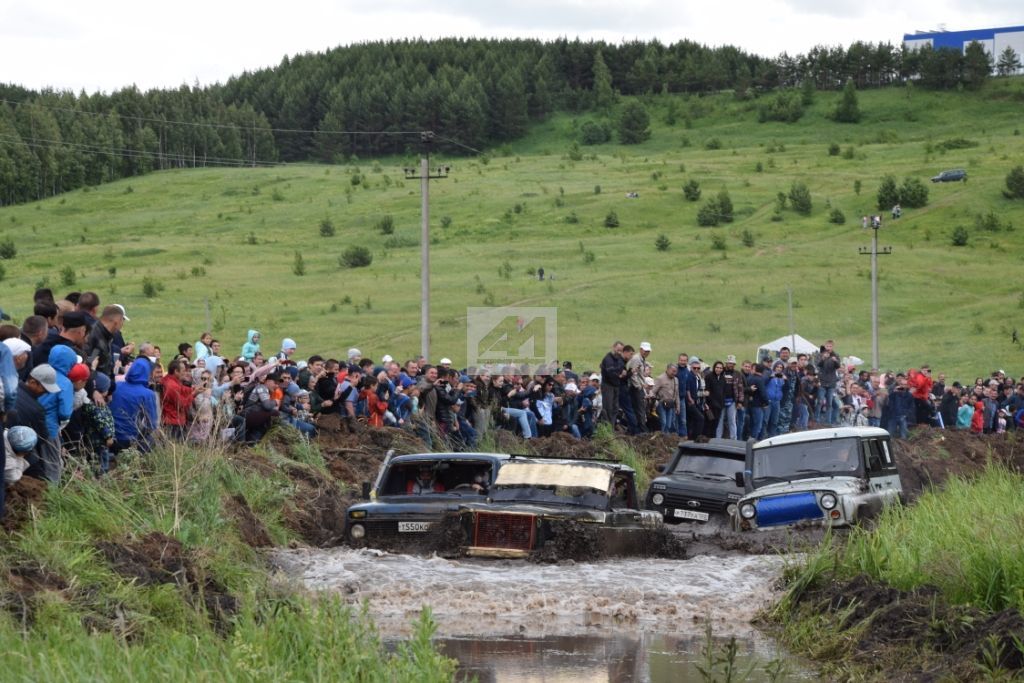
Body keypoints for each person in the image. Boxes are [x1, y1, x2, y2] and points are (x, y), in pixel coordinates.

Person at [110, 358, 159, 453]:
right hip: (133, 439)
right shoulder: (147, 394)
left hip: (112, 437)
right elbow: (151, 423)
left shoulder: (117, 385)